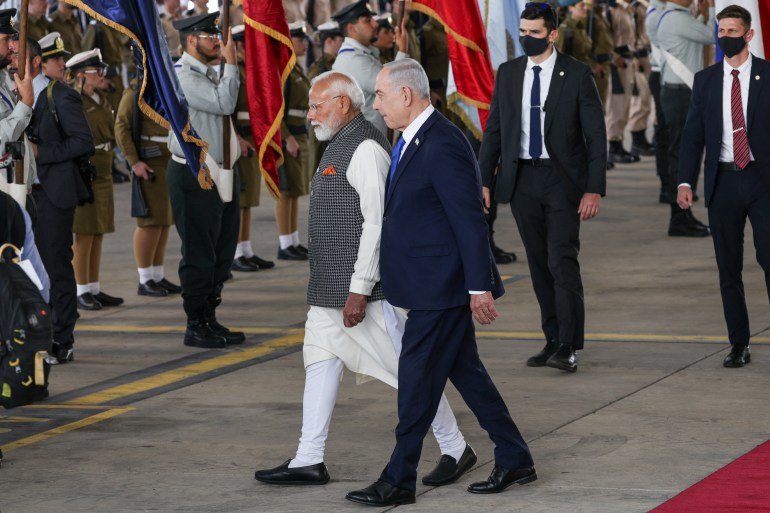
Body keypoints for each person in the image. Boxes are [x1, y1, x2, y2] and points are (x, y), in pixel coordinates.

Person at [255, 71, 472, 488]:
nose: (310, 114)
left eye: (317, 105)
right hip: (327, 292)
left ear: (342, 104)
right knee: (319, 362)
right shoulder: (337, 142)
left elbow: (378, 224)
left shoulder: (366, 147)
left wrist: (359, 288)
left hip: (364, 295)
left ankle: (456, 446)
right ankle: (308, 458)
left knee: (408, 375)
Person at [345, 59, 536, 507]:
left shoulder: (443, 143)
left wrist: (478, 286)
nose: (376, 104)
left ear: (406, 96)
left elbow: (469, 219)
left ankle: (398, 478)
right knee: (468, 375)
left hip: (441, 287)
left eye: (380, 95)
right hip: (424, 282)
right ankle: (515, 456)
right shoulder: (410, 137)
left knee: (416, 381)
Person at [478, 4, 606, 373]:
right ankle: (551, 337)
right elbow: (495, 131)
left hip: (563, 181)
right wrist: (485, 180)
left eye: (534, 32)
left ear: (552, 34)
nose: (526, 39)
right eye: (523, 31)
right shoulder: (508, 73)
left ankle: (569, 344)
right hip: (522, 182)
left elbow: (595, 136)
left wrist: (593, 188)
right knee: (538, 264)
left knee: (561, 260)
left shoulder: (577, 74)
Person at [677, 5, 770, 369]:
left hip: (763, 181)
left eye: (733, 31)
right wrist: (685, 181)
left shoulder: (767, 75)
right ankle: (739, 343)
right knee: (728, 268)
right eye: (721, 30)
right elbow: (692, 136)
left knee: (769, 259)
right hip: (723, 181)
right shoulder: (706, 80)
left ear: (748, 35)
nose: (725, 37)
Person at [168, 12, 243, 349]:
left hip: (222, 172)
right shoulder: (183, 76)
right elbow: (224, 103)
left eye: (217, 35)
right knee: (200, 253)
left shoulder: (211, 72)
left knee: (223, 251)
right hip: (194, 173)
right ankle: (195, 323)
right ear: (190, 41)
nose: (217, 41)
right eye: (209, 36)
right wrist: (231, 65)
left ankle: (210, 317)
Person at [27, 34, 93, 364]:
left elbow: (83, 142)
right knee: (30, 271)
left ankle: (61, 337)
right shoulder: (18, 91)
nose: (63, 65)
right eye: (58, 60)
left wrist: (42, 152)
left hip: (52, 192)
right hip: (25, 193)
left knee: (56, 269)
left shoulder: (60, 95)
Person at [66, 49, 123, 311]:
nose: (102, 75)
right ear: (80, 76)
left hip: (104, 168)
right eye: (96, 71)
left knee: (99, 230)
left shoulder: (101, 99)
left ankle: (94, 287)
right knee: (85, 234)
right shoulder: (75, 101)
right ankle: (81, 290)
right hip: (86, 170)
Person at [115, 79, 182, 297]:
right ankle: (145, 278)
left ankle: (156, 275)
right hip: (149, 162)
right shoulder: (135, 91)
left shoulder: (164, 87)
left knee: (163, 222)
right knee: (149, 222)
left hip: (167, 160)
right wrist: (133, 162)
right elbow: (122, 127)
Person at [657, 0, 713, 237]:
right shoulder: (678, 19)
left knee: (681, 151)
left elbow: (696, 33)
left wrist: (701, 15)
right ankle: (679, 217)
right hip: (681, 92)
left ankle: (682, 213)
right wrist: (710, 9)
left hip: (678, 90)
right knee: (681, 153)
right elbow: (711, 35)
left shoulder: (674, 17)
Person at [230, 24, 274, 272]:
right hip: (240, 138)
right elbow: (228, 110)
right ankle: (236, 252)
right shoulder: (233, 71)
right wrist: (236, 137)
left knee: (248, 200)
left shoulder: (248, 70)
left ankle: (245, 249)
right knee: (240, 199)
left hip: (252, 137)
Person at [331, 0, 408, 136]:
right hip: (367, 143)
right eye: (368, 20)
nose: (375, 24)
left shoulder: (362, 54)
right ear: (351, 28)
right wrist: (402, 51)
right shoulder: (354, 60)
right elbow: (391, 86)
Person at [276, 21, 311, 262]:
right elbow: (277, 111)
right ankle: (284, 242)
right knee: (286, 191)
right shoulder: (286, 72)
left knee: (296, 190)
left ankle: (293, 240)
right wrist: (286, 137)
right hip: (290, 135)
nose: (305, 44)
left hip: (300, 133)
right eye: (300, 40)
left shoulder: (296, 70)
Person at [605, 0, 640, 164]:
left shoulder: (628, 9)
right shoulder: (610, 9)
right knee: (616, 105)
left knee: (625, 104)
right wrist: (612, 57)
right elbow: (604, 38)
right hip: (616, 63)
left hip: (628, 60)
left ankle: (619, 143)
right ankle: (613, 146)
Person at [307, 20, 344, 176]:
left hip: (337, 124)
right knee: (322, 173)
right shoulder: (319, 68)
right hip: (323, 125)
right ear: (329, 41)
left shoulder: (340, 63)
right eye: (340, 40)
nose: (343, 44)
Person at [645, 0, 671, 203]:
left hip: (665, 74)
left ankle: (670, 182)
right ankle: (666, 183)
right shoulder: (656, 14)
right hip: (661, 74)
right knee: (665, 133)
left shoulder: (664, 10)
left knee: (668, 132)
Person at [627, 0, 655, 157]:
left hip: (649, 55)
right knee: (640, 98)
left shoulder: (648, 5)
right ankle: (637, 141)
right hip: (638, 57)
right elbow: (631, 35)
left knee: (647, 99)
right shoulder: (636, 7)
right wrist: (634, 58)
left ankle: (642, 139)